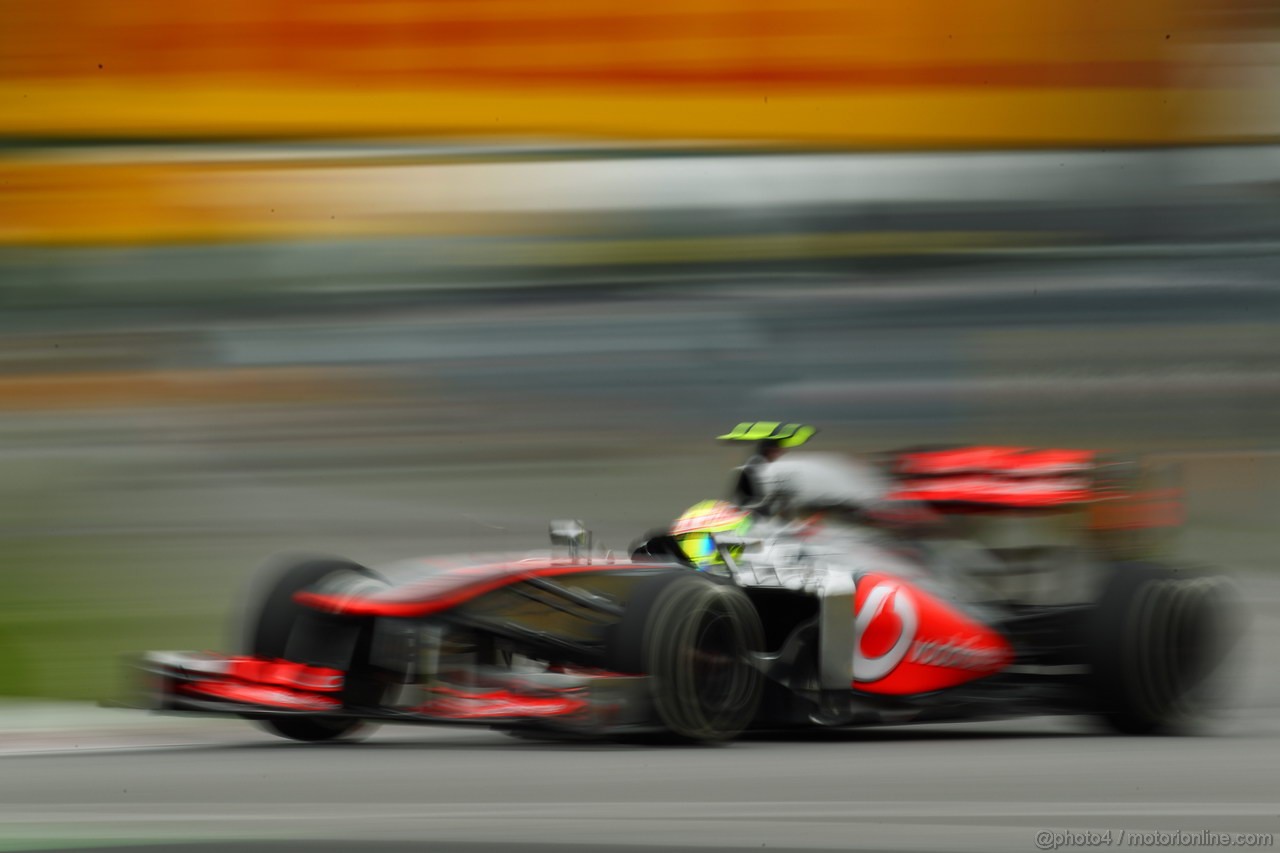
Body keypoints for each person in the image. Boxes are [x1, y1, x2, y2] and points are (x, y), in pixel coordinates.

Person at [717, 422, 816, 512]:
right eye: (779, 451)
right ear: (769, 451)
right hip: (752, 515)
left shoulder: (761, 466)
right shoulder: (756, 468)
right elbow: (757, 497)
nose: (782, 454)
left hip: (755, 512)